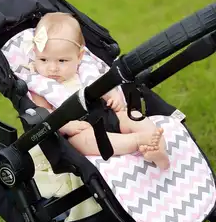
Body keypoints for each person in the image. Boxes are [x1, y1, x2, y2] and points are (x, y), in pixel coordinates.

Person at [28, 12, 170, 169]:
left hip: (107, 115)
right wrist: (66, 126)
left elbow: (104, 85)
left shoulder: (86, 71)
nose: (52, 68)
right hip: (79, 129)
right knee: (84, 141)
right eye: (43, 60)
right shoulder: (39, 86)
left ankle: (158, 150)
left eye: (62, 60)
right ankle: (137, 141)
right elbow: (44, 115)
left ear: (79, 56)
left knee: (134, 116)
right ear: (35, 53)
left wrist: (113, 96)